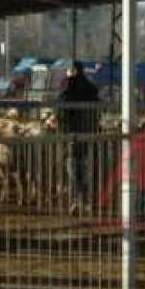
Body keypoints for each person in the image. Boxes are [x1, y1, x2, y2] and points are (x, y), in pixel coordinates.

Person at [58, 61, 99, 214]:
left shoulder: (68, 88)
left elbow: (61, 107)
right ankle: (87, 200)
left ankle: (78, 198)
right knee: (87, 167)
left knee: (73, 167)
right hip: (90, 133)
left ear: (73, 71)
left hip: (73, 133)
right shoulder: (91, 88)